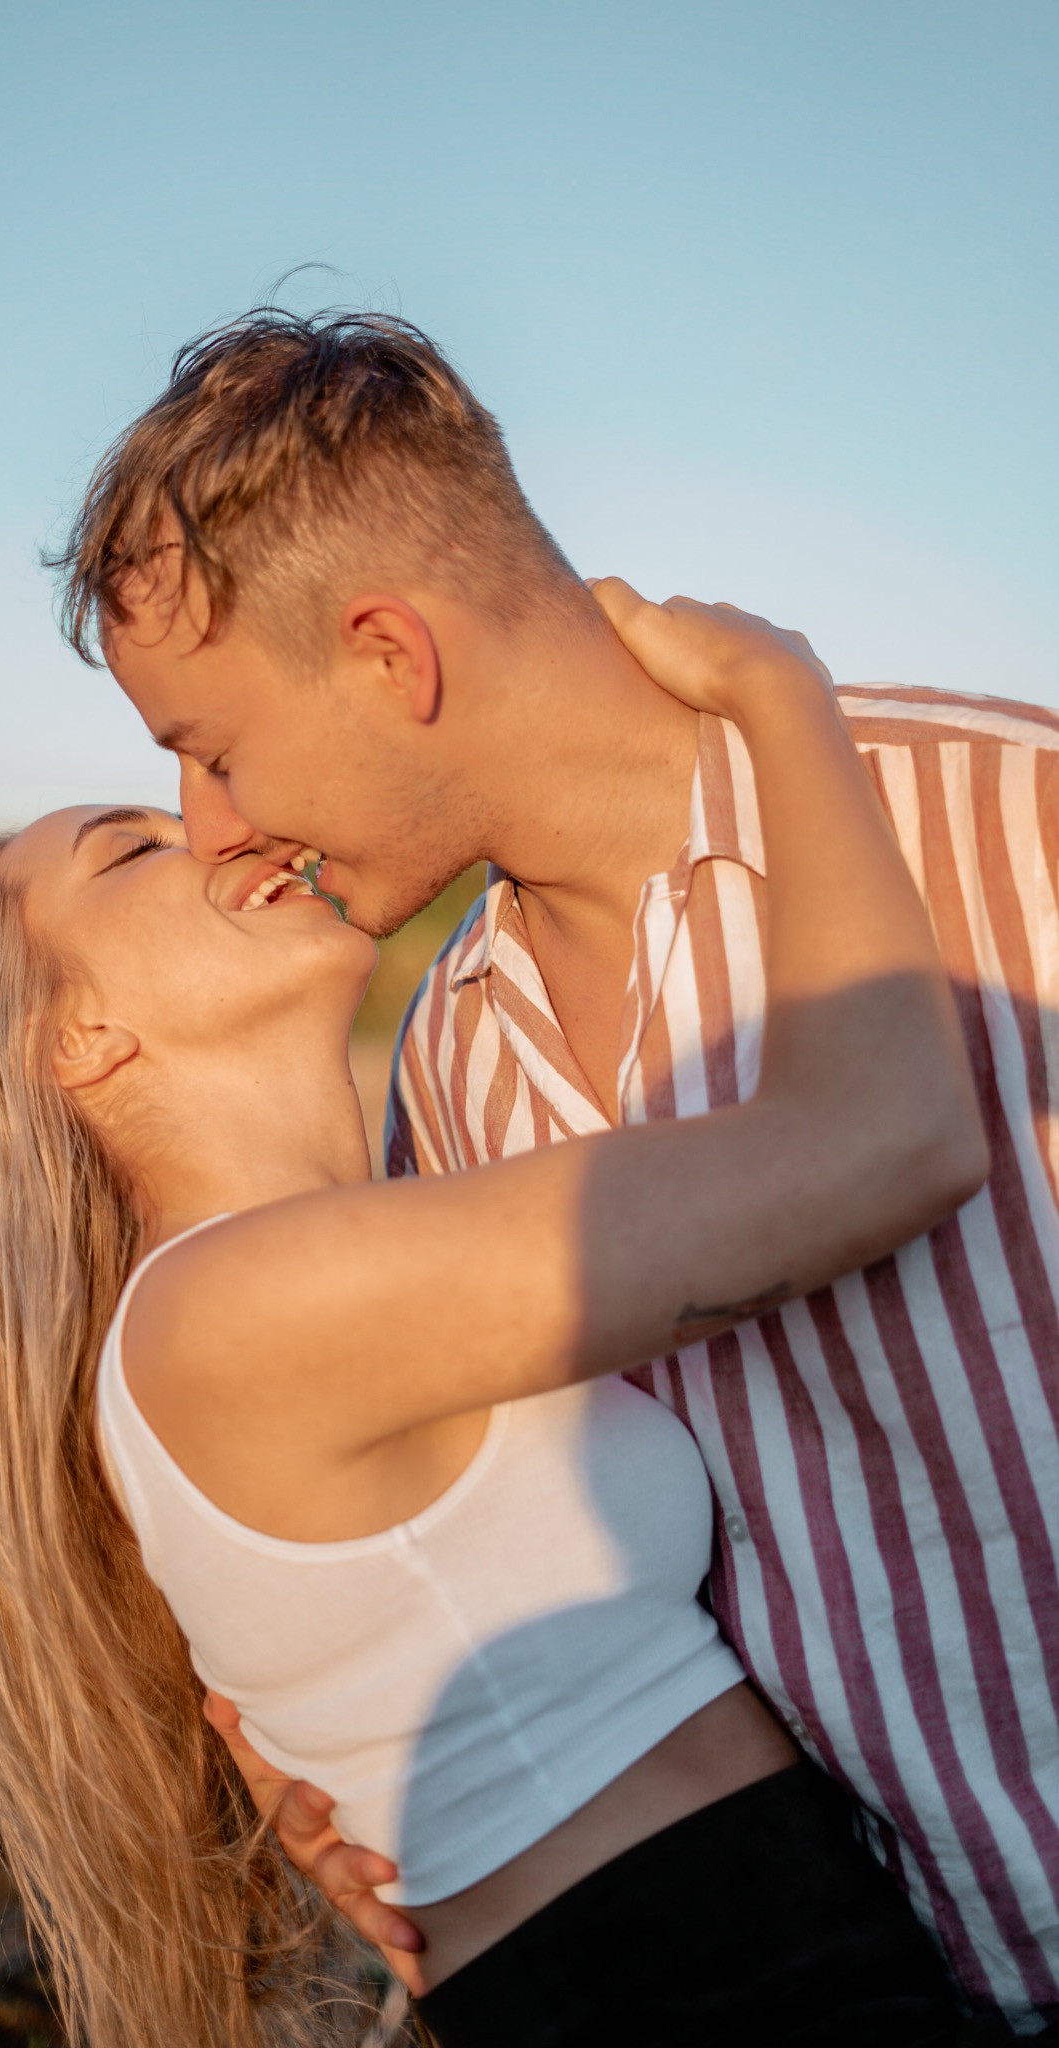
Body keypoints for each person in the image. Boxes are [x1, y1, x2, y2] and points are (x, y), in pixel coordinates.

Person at [52, 310, 1059, 2037]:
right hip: (899, 1970)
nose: (213, 825)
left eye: (211, 749)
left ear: (389, 653)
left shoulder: (1011, 825)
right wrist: (353, 1789)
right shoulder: (441, 1067)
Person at [0, 584, 989, 2048]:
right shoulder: (232, 1306)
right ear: (76, 1037)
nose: (222, 831)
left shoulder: (341, 1238)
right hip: (708, 1991)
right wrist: (779, 694)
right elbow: (878, 1143)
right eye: (131, 848)